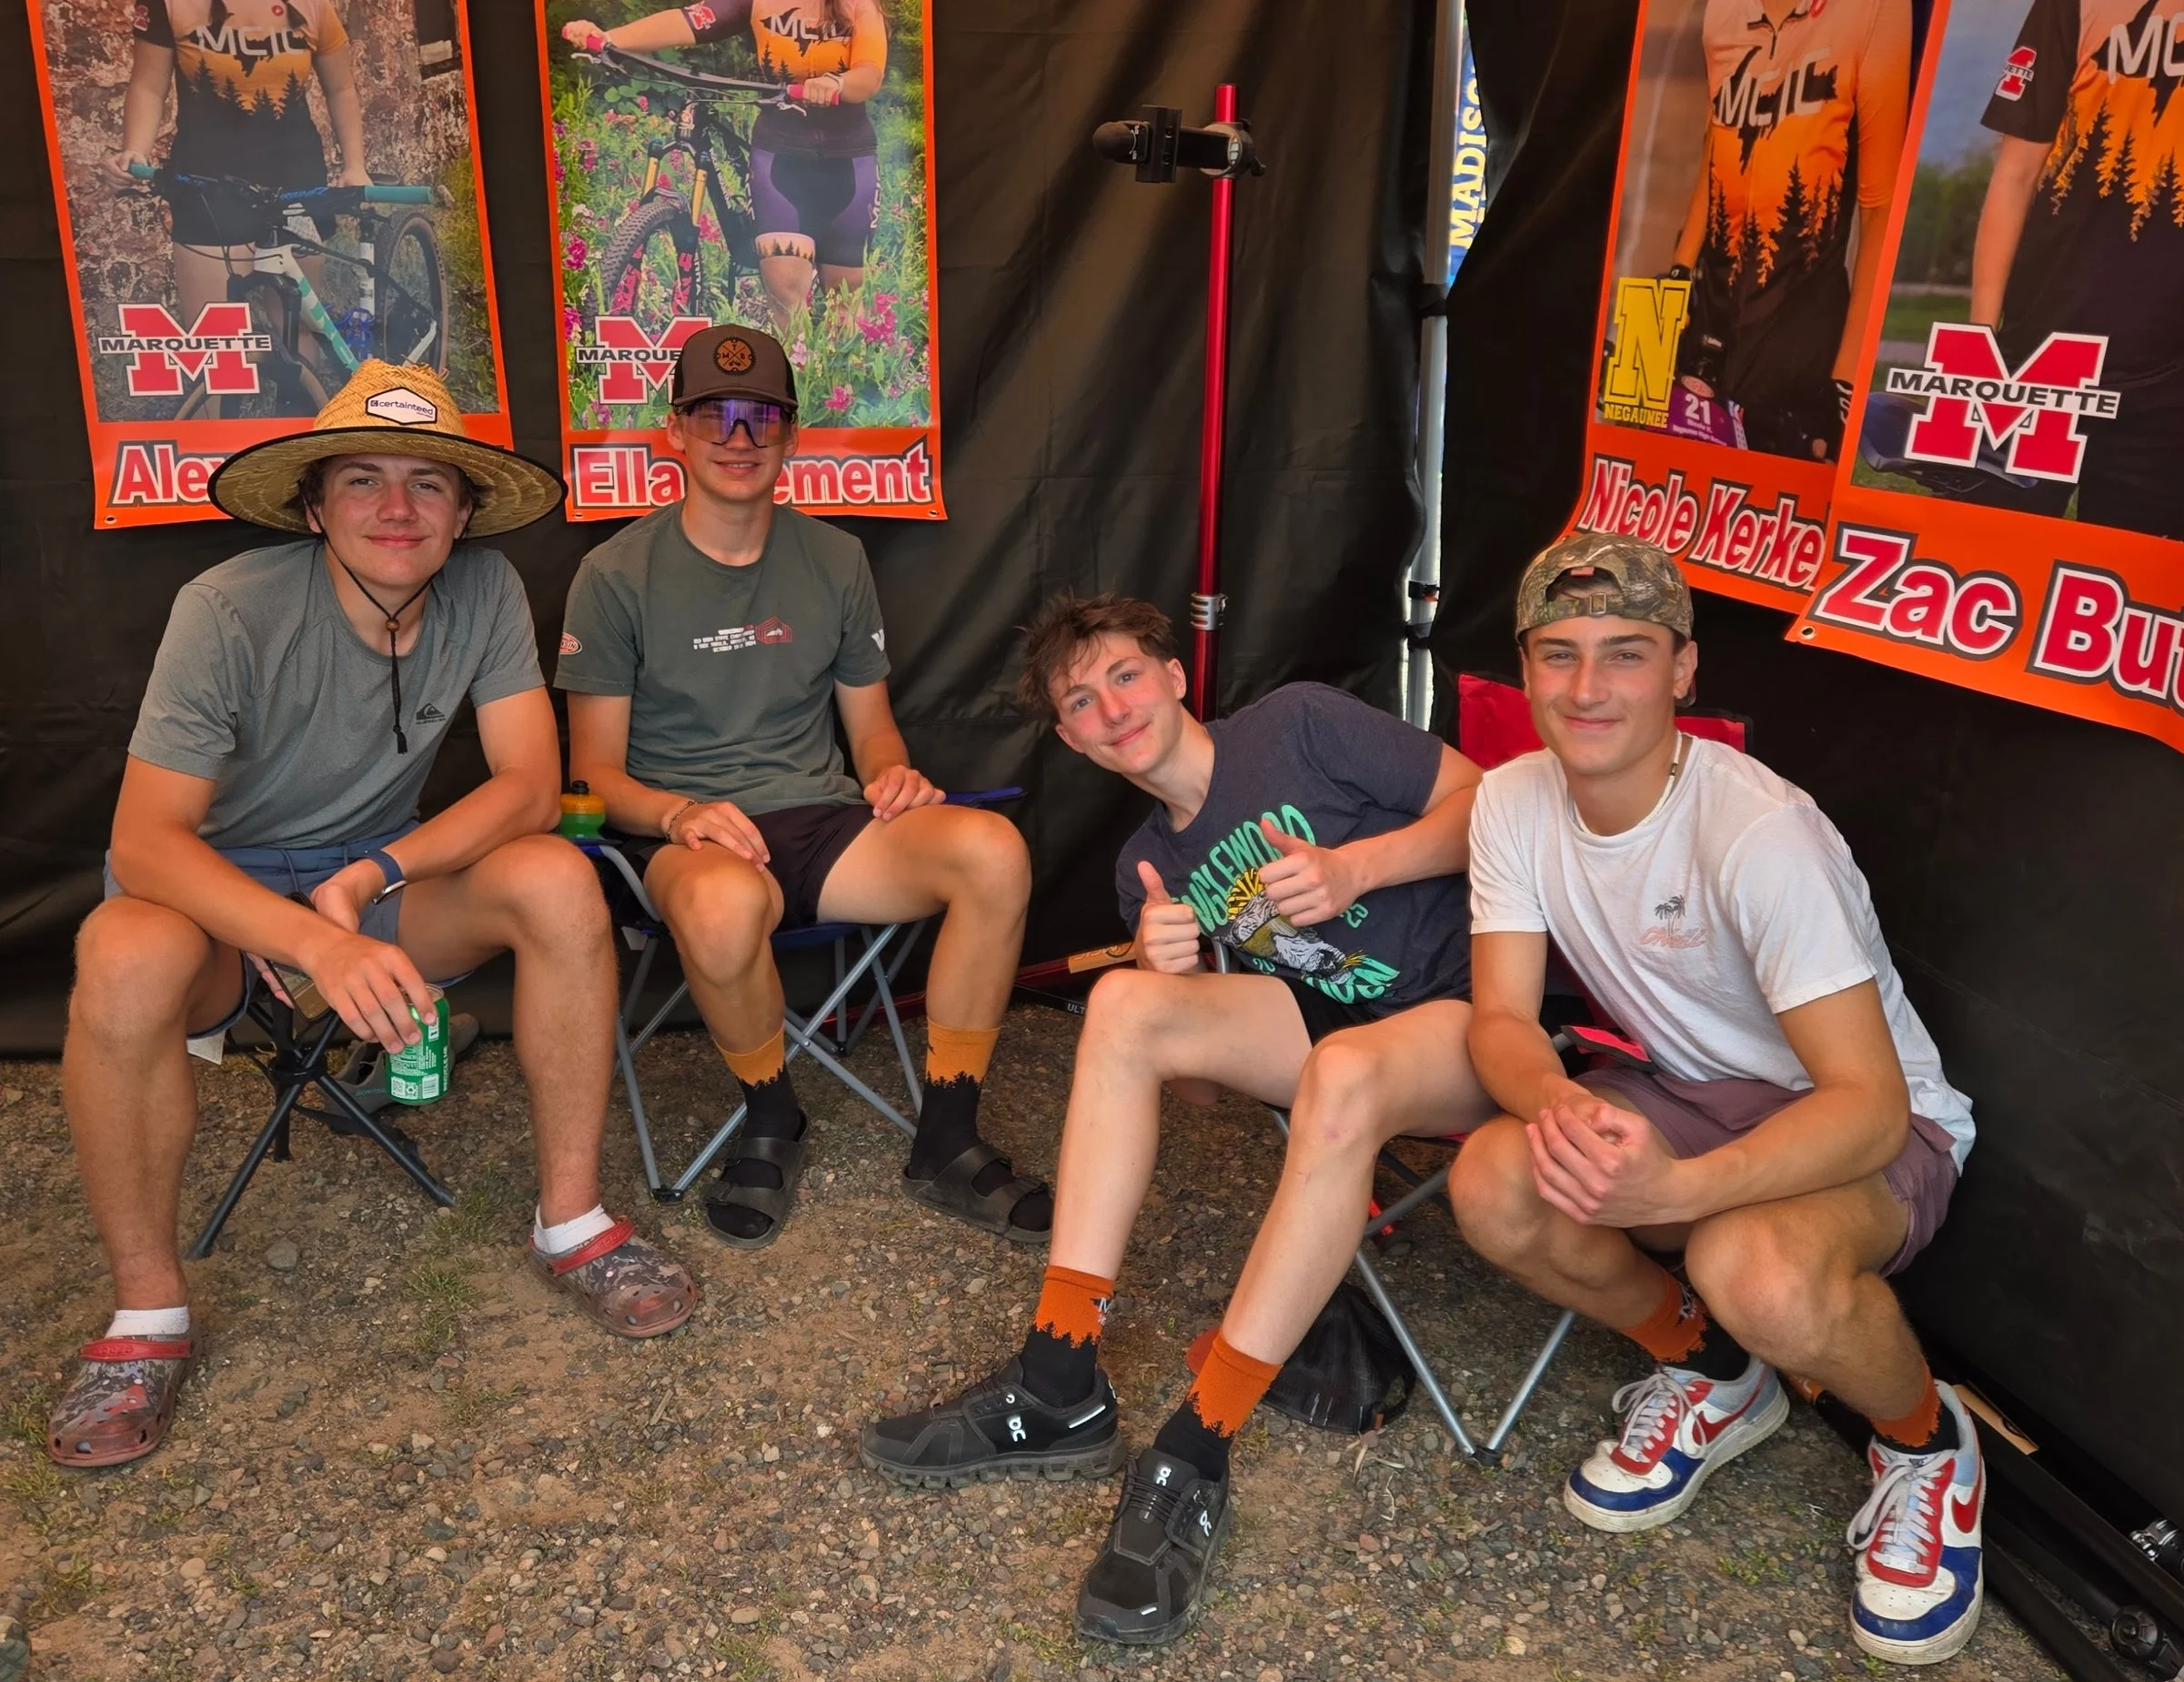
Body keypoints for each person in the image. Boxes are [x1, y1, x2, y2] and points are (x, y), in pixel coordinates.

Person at [50, 360, 700, 1472]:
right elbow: (144, 842)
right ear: (314, 506)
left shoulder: (484, 591)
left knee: (552, 873)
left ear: (462, 511)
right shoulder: (226, 606)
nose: (398, 509)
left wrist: (370, 879)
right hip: (221, 902)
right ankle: (147, 1315)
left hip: (368, 883)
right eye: (363, 481)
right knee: (117, 947)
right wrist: (307, 936)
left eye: (428, 484)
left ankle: (573, 1220)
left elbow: (527, 788)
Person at [859, 593, 1488, 1646]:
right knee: (1121, 1005)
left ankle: (1198, 1447)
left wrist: (1354, 868)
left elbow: (1490, 803)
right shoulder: (1142, 867)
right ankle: (1058, 1375)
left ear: (1173, 673)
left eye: (1123, 675)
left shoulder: (1294, 724)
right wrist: (1172, 973)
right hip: (1330, 1034)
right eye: (1080, 701)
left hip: (1475, 1013)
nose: (1111, 707)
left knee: (1339, 1075)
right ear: (1067, 738)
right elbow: (1201, 1097)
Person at [1448, 534, 1983, 1667]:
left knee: (1751, 1266)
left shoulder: (1757, 831)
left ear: (1684, 671)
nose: (1587, 689)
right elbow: (1497, 1019)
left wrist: (1676, 1186)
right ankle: (1711, 1372)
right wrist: (1553, 1107)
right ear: (1526, 667)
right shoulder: (1507, 800)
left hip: (1868, 1116)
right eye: (1560, 654)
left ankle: (1925, 1444)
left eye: (1625, 654)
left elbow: (1871, 1107)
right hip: (1689, 1088)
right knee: (1496, 1181)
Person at [558, 325, 1042, 1252]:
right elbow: (595, 776)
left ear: (790, 437)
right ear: (674, 431)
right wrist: (679, 813)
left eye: (763, 418)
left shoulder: (836, 558)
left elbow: (870, 730)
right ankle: (772, 1116)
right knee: (724, 907)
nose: (739, 438)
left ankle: (946, 1137)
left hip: (824, 820)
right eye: (716, 415)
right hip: (683, 836)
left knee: (993, 852)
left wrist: (890, 773)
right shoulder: (612, 575)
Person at [1968, 1, 2184, 538]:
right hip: (2031, 369)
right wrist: (1977, 349)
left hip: (2166, 384)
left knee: (2127, 604)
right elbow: (2015, 175)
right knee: (1982, 593)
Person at [1663, 0, 1910, 459]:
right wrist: (1674, 282)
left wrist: (1845, 384)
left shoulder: (1877, 9)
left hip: (1800, 347)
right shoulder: (1722, 11)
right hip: (1708, 329)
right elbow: (1716, 148)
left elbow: (1882, 211)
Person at [562, 0, 888, 345]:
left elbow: (869, 75)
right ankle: (798, 389)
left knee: (846, 311)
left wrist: (838, 84)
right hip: (780, 159)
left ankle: (842, 390)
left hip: (848, 162)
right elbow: (689, 21)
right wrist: (610, 37)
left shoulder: (859, 5)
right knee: (785, 302)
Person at [102, 0, 368, 361]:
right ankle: (225, 415)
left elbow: (341, 89)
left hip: (296, 183)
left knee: (298, 328)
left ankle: (303, 411)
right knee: (215, 343)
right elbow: (148, 85)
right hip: (206, 185)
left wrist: (355, 165)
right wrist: (135, 149)